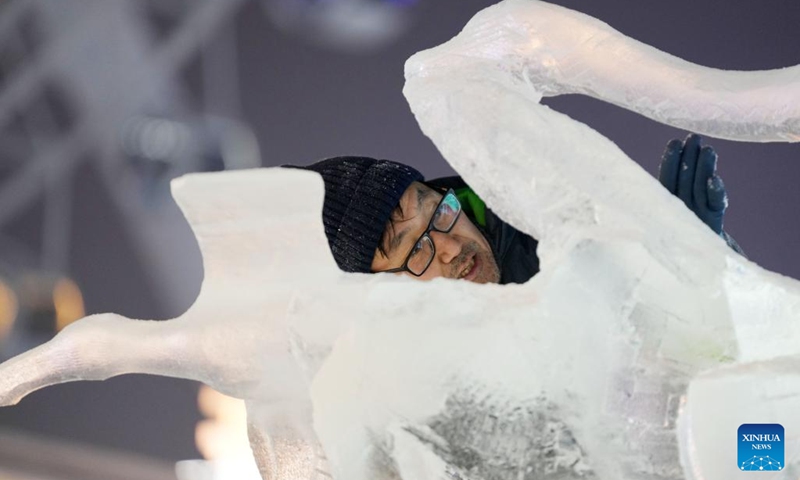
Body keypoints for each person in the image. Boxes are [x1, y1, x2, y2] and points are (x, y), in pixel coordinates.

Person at [287, 134, 743, 285]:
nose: (451, 247)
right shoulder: (401, 390)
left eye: (439, 213)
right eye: (417, 250)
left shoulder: (554, 228)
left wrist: (703, 260)